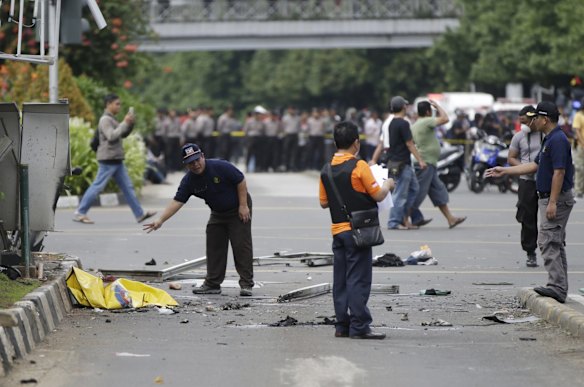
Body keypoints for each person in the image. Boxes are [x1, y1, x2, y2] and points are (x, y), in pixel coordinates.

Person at [486, 101, 575, 303]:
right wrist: (504, 170)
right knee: (555, 242)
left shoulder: (558, 140)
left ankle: (557, 287)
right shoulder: (549, 139)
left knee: (547, 241)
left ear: (545, 119)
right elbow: (533, 166)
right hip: (549, 197)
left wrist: (552, 202)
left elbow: (559, 173)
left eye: (535, 118)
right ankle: (559, 285)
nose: (533, 121)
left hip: (556, 199)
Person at [143, 143, 254, 296]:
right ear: (185, 164)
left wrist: (243, 205)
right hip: (218, 212)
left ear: (202, 156)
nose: (195, 165)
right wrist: (160, 220)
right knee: (214, 244)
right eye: (190, 163)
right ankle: (213, 284)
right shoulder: (189, 181)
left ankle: (246, 284)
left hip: (238, 208)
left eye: (197, 160)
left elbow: (240, 180)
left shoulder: (220, 166)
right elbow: (177, 201)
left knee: (241, 245)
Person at [319, 121, 395, 339]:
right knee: (358, 279)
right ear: (356, 143)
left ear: (335, 143)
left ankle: (342, 325)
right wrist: (388, 184)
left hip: (338, 231)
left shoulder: (326, 169)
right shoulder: (359, 166)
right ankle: (360, 326)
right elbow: (378, 195)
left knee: (340, 279)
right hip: (358, 232)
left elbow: (324, 203)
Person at [73, 94, 156, 224]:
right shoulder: (105, 119)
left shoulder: (112, 119)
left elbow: (122, 134)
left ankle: (139, 214)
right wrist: (124, 123)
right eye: (117, 104)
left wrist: (130, 124)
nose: (119, 106)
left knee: (128, 188)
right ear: (109, 104)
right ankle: (80, 212)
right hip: (108, 159)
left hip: (116, 159)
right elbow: (111, 136)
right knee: (97, 186)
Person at [370, 96, 426, 230]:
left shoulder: (391, 123)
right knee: (400, 194)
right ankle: (394, 222)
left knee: (414, 189)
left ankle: (404, 218)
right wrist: (420, 160)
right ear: (403, 107)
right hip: (402, 163)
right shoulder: (403, 123)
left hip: (396, 162)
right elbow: (409, 144)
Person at [410, 100, 467, 229]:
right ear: (427, 112)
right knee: (418, 194)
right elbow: (445, 119)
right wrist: (438, 106)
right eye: (431, 111)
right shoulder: (426, 121)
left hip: (429, 163)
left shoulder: (416, 124)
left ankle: (450, 219)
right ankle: (401, 219)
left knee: (438, 191)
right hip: (426, 163)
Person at [508, 105, 543, 267]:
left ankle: (555, 249)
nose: (524, 124)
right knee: (528, 217)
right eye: (521, 121)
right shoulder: (518, 137)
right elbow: (511, 158)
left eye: (526, 121)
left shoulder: (546, 135)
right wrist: (524, 167)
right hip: (526, 181)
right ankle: (530, 252)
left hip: (545, 180)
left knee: (550, 216)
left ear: (534, 119)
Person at [571, 98, 584, 198]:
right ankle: (578, 190)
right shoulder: (579, 115)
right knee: (579, 168)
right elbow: (577, 131)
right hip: (580, 146)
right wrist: (582, 143)